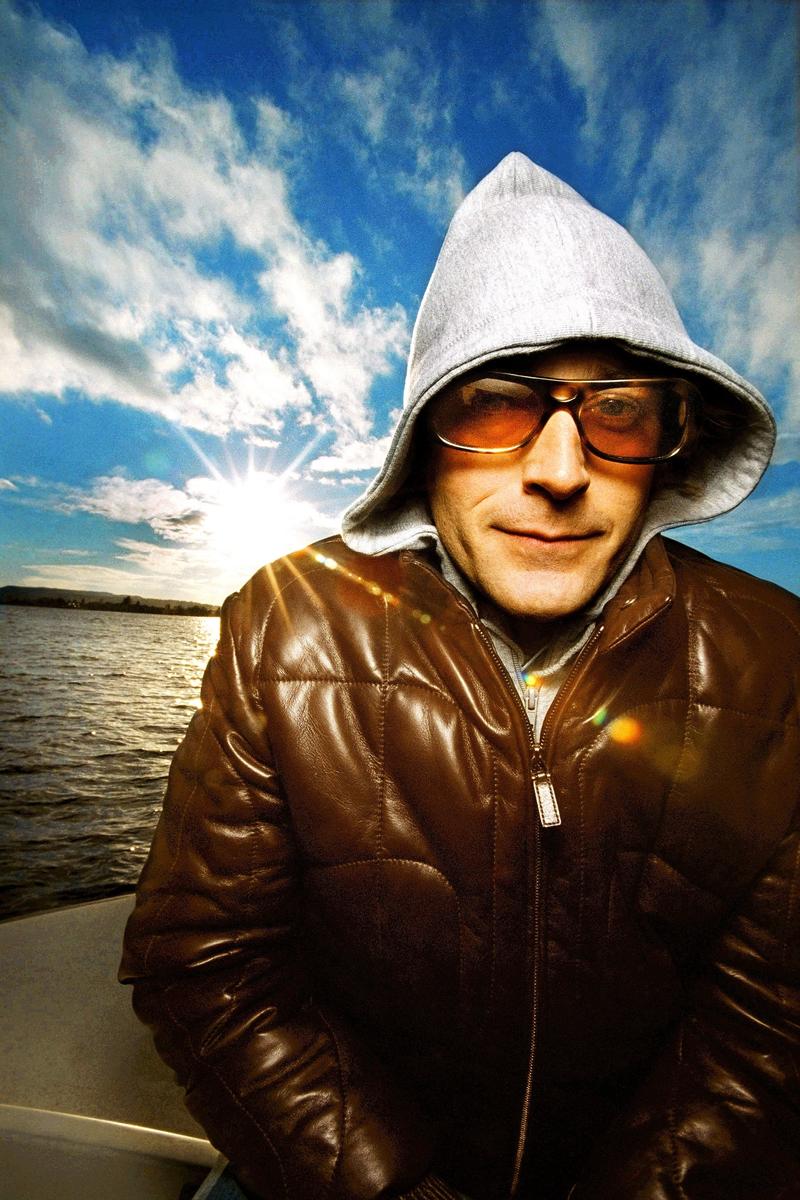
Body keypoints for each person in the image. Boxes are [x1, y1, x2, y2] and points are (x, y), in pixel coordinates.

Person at [120, 153, 799, 1200]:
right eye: (492, 403)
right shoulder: (284, 628)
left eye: (618, 410)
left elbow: (770, 1020)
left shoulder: (777, 661)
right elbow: (206, 962)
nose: (560, 470)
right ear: (423, 442)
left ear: (670, 442)